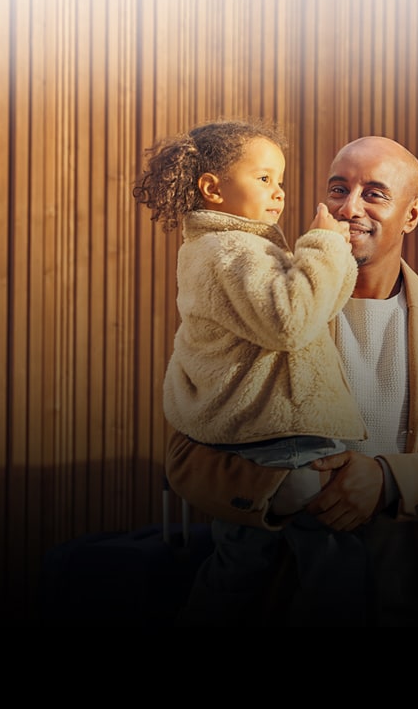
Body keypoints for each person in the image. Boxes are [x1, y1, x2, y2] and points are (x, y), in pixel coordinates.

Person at [166, 135, 418, 626]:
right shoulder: (273, 303)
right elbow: (186, 456)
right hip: (285, 594)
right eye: (338, 189)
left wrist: (387, 481)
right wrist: (281, 491)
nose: (348, 208)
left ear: (411, 214)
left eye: (374, 194)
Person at [133, 118, 370, 625]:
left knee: (242, 569)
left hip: (260, 438)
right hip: (285, 438)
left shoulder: (227, 248)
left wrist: (329, 255)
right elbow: (292, 321)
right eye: (263, 178)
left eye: (280, 180)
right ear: (213, 188)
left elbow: (313, 310)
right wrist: (323, 244)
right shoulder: (232, 250)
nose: (279, 192)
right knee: (335, 572)